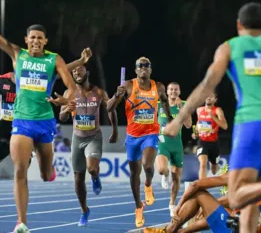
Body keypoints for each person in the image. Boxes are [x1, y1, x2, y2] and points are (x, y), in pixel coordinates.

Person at [163, 2, 261, 233]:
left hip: (252, 124)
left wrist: (178, 120)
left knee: (237, 197)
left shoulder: (230, 48)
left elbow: (207, 86)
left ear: (238, 25)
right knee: (250, 202)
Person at [0, 24, 77, 233]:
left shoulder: (54, 59)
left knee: (44, 175)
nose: (35, 41)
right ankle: (21, 222)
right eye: (32, 37)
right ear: (26, 40)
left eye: (40, 38)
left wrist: (65, 100)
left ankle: (47, 168)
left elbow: (72, 87)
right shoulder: (18, 54)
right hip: (22, 121)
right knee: (19, 172)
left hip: (44, 121)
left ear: (45, 41)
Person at [107, 57, 172, 228]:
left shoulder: (158, 87)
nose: (143, 68)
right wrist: (116, 95)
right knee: (134, 174)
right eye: (140, 66)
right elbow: (109, 108)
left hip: (150, 134)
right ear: (136, 70)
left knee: (148, 166)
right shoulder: (128, 85)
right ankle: (138, 206)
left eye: (146, 65)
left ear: (150, 69)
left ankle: (148, 185)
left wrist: (170, 118)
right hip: (132, 136)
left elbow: (164, 101)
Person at [0, 52, 92, 163]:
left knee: (25, 162)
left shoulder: (35, 82)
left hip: (23, 128)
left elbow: (60, 71)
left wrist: (80, 61)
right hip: (3, 128)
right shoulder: (3, 80)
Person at [59, 63, 118, 227]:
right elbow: (62, 116)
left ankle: (95, 177)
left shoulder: (98, 92)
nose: (77, 72)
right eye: (74, 70)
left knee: (92, 168)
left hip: (93, 137)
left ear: (87, 72)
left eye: (80, 69)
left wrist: (115, 131)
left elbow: (111, 109)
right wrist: (66, 110)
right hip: (77, 138)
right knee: (78, 180)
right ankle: (85, 210)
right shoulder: (69, 93)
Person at [156, 82, 192, 217]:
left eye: (176, 89)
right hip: (162, 142)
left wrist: (181, 107)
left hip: (177, 144)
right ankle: (165, 175)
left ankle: (172, 204)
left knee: (176, 177)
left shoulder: (184, 104)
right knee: (161, 169)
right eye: (171, 89)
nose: (173, 92)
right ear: (167, 91)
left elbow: (188, 125)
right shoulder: (159, 104)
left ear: (179, 91)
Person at [192, 93, 227, 179]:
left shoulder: (217, 110)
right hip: (202, 142)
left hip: (213, 143)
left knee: (213, 170)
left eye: (211, 97)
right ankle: (202, 187)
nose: (208, 97)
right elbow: (199, 122)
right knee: (203, 164)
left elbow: (225, 126)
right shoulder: (199, 110)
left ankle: (217, 169)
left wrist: (213, 117)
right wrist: (195, 133)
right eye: (207, 95)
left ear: (215, 100)